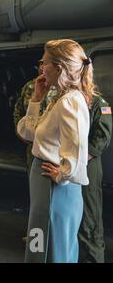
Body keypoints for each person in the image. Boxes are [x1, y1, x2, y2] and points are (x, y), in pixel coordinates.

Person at [17, 39, 95, 263]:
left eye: (45, 63)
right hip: (43, 182)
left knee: (55, 250)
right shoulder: (59, 98)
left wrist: (63, 174)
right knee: (38, 240)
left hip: (55, 185)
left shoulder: (70, 101)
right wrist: (37, 98)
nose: (42, 68)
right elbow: (27, 133)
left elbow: (77, 145)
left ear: (59, 68)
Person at [78, 95, 112, 263]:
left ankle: (93, 257)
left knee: (89, 215)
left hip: (88, 164)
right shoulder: (68, 98)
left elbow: (103, 134)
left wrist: (81, 158)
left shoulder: (99, 102)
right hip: (71, 163)